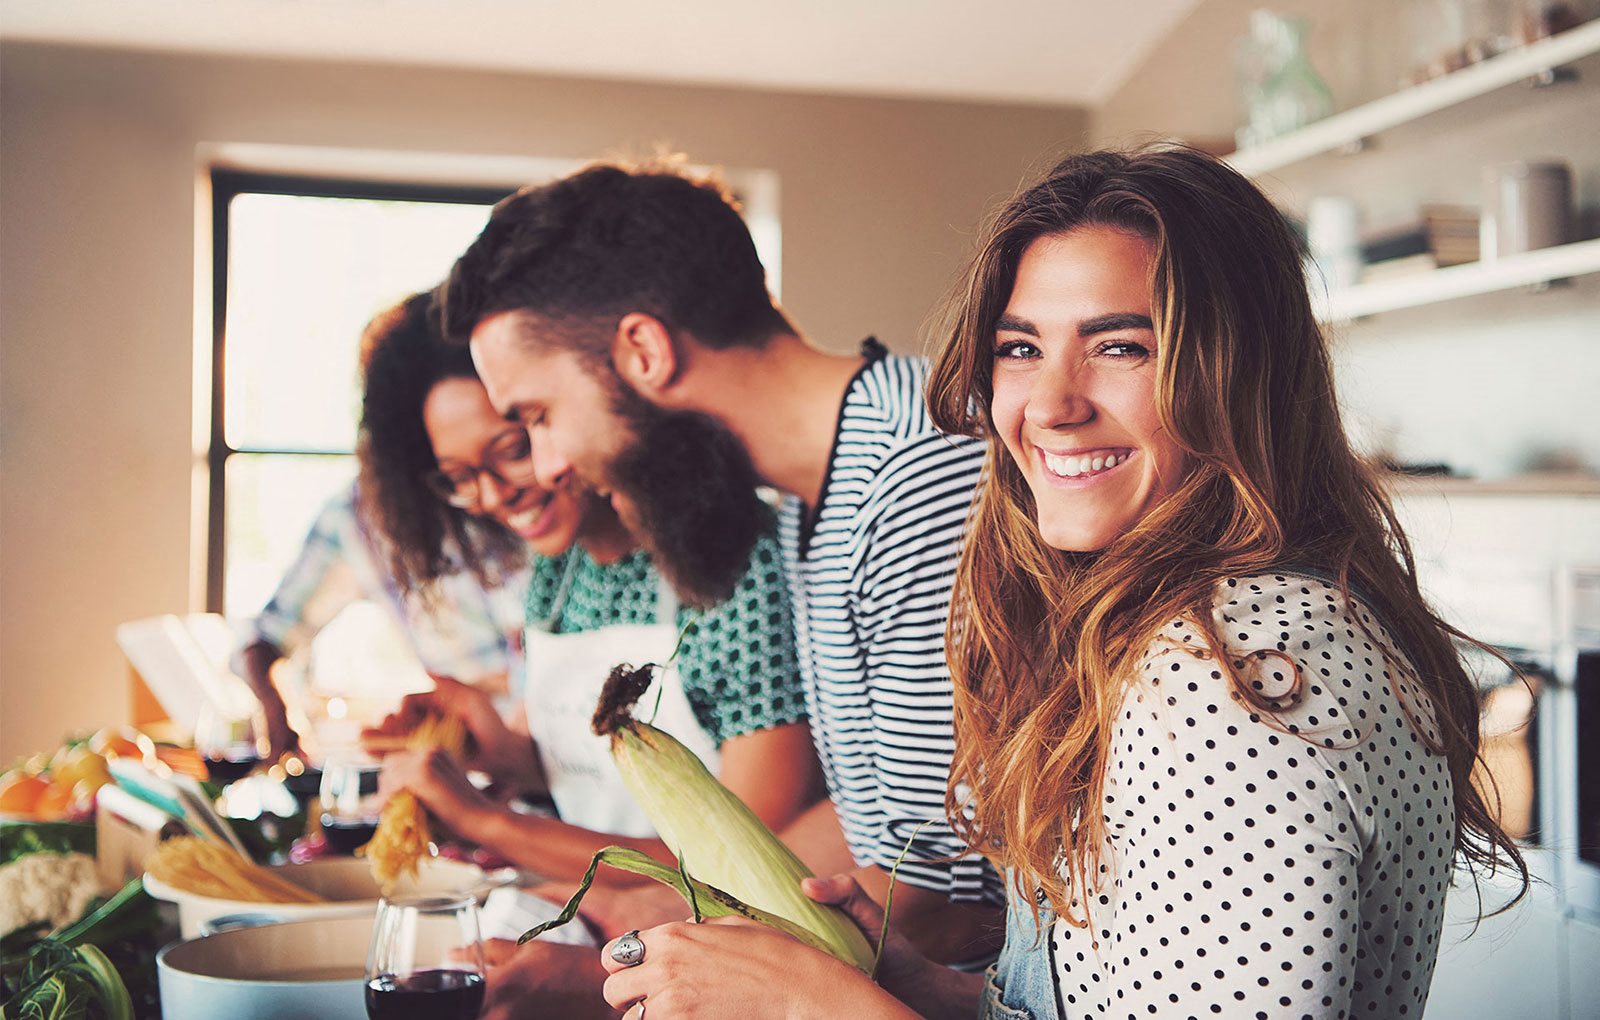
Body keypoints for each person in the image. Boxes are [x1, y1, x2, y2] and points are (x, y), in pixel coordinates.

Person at [589, 146, 1530, 1019]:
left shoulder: (1238, 675)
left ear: (1241, 372)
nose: (1049, 404)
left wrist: (818, 1006)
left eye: (1123, 346)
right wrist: (919, 990)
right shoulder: (1168, 633)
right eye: (1019, 348)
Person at [437, 159, 1006, 967]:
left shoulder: (917, 476)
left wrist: (638, 960)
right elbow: (876, 817)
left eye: (540, 416)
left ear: (643, 349)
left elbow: (950, 892)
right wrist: (656, 905)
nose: (550, 464)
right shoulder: (819, 495)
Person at [353, 294, 821, 1016]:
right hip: (610, 925)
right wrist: (487, 743)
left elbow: (748, 861)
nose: (492, 495)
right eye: (459, 476)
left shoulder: (731, 564)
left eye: (513, 446)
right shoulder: (557, 571)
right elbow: (595, 770)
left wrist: (486, 821)